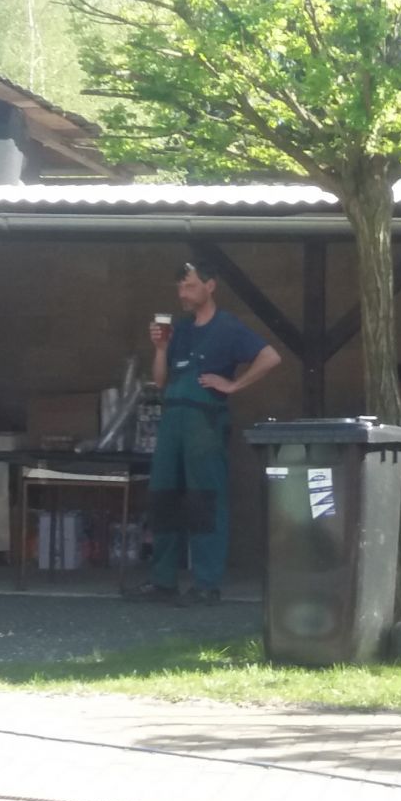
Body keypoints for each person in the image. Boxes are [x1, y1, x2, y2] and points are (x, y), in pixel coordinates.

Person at [128, 260, 281, 606]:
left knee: (205, 499)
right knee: (163, 497)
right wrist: (160, 349)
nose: (183, 294)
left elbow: (270, 357)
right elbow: (160, 381)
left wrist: (234, 385)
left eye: (190, 286)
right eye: (180, 288)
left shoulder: (228, 327)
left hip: (205, 422)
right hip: (172, 420)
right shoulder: (180, 329)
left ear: (211, 286)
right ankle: (162, 581)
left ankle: (206, 584)